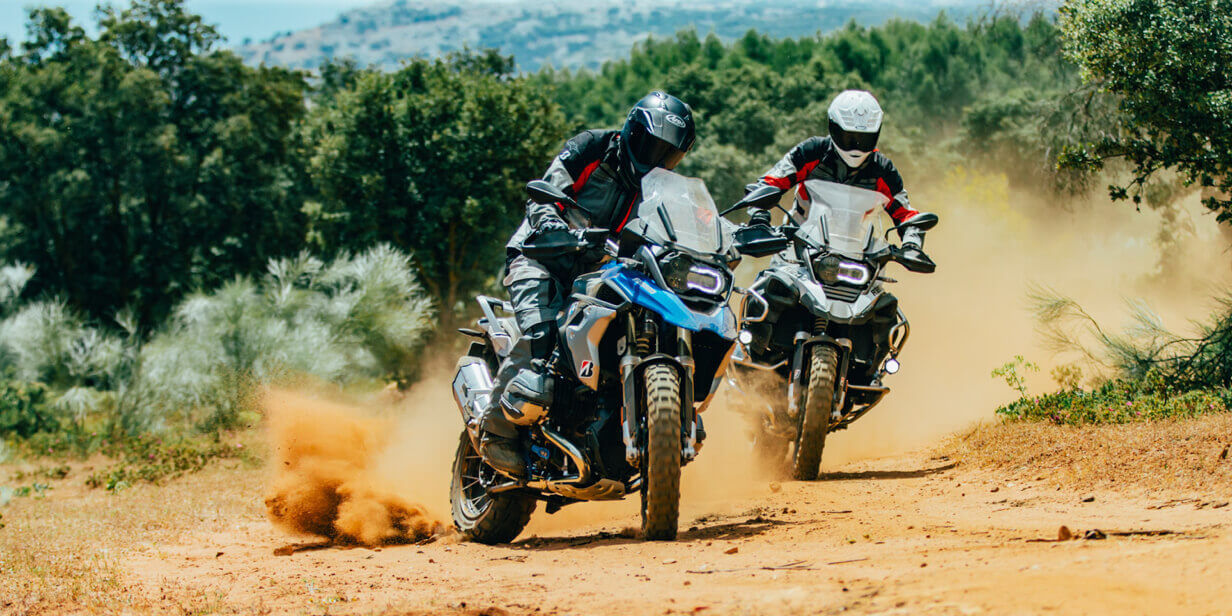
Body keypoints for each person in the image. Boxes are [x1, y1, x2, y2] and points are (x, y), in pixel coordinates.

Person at [478, 91, 697, 478]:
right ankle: (496, 433)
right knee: (543, 332)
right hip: (544, 255)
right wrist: (550, 223)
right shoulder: (591, 148)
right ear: (631, 131)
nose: (656, 158)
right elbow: (548, 190)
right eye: (650, 145)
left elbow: (684, 225)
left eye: (668, 153)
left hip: (604, 267)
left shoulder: (666, 186)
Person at [744, 89, 934, 383]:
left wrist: (911, 243)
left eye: (864, 138)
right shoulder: (811, 152)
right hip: (799, 249)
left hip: (859, 258)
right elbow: (771, 182)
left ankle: (870, 372)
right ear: (833, 128)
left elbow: (906, 213)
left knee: (887, 311)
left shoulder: (883, 169)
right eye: (848, 137)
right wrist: (759, 215)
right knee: (764, 289)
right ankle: (749, 353)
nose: (856, 146)